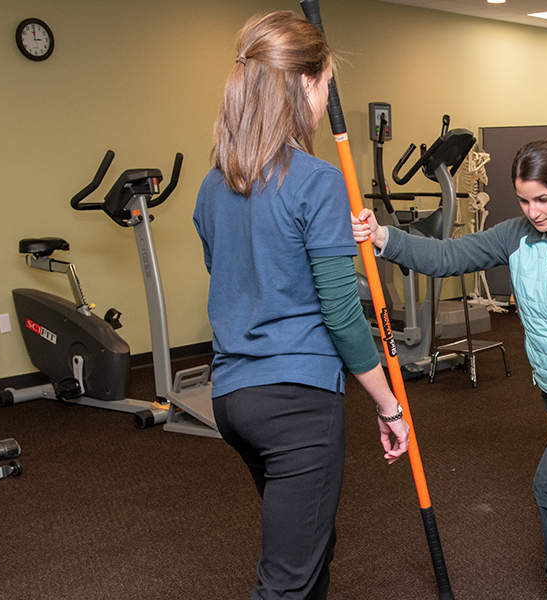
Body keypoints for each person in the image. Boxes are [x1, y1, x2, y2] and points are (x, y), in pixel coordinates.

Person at [353, 140, 547, 600]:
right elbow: (447, 258)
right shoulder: (516, 235)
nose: (533, 211)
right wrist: (383, 238)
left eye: (543, 199)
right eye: (524, 200)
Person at [192, 11, 410, 600]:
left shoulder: (214, 186)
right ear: (306, 84)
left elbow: (233, 278)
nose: (325, 99)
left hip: (233, 399)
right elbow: (342, 314)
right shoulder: (317, 181)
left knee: (311, 548)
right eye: (327, 85)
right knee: (286, 581)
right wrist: (389, 405)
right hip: (296, 404)